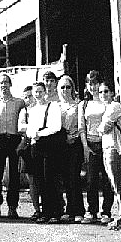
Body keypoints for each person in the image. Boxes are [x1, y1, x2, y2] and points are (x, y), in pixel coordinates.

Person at [0, 73, 25, 219]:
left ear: (10, 84)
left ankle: (12, 207)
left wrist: (23, 140)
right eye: (1, 83)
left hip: (14, 139)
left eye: (6, 82)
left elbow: (24, 120)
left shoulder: (19, 102)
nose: (3, 85)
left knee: (14, 175)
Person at [26, 81, 65, 224]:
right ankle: (45, 212)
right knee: (39, 180)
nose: (38, 95)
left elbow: (55, 126)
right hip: (36, 146)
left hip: (49, 145)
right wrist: (33, 134)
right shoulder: (32, 109)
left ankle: (55, 212)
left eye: (40, 91)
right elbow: (29, 129)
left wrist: (39, 133)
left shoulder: (53, 106)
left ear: (45, 92)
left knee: (50, 179)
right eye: (36, 92)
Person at [78, 70, 114, 224]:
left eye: (95, 83)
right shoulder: (84, 104)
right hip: (91, 144)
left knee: (107, 179)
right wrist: (85, 146)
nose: (93, 87)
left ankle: (106, 211)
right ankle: (91, 211)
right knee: (91, 180)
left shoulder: (107, 102)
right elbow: (82, 127)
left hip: (106, 143)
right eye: (90, 83)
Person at [97, 80, 121, 230]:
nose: (103, 94)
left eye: (106, 91)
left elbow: (103, 128)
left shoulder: (115, 107)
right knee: (115, 184)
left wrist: (98, 128)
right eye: (100, 92)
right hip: (108, 148)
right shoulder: (107, 108)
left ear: (112, 93)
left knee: (118, 185)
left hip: (115, 149)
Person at [58, 75, 85, 223]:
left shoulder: (78, 105)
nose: (65, 90)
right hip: (61, 144)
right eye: (62, 87)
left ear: (72, 88)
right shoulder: (56, 106)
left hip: (75, 143)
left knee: (74, 176)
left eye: (68, 87)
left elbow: (81, 125)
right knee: (66, 178)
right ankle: (69, 210)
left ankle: (79, 210)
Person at [42, 70, 66, 216]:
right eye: (46, 81)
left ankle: (60, 206)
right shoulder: (41, 98)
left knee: (58, 175)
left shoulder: (59, 98)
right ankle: (47, 208)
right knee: (46, 176)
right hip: (44, 140)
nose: (49, 83)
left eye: (51, 80)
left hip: (58, 139)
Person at [17, 85, 39, 219]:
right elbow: (21, 127)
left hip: (41, 145)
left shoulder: (43, 108)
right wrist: (35, 127)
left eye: (30, 95)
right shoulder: (23, 111)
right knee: (32, 180)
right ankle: (36, 208)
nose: (28, 99)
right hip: (28, 146)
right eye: (25, 97)